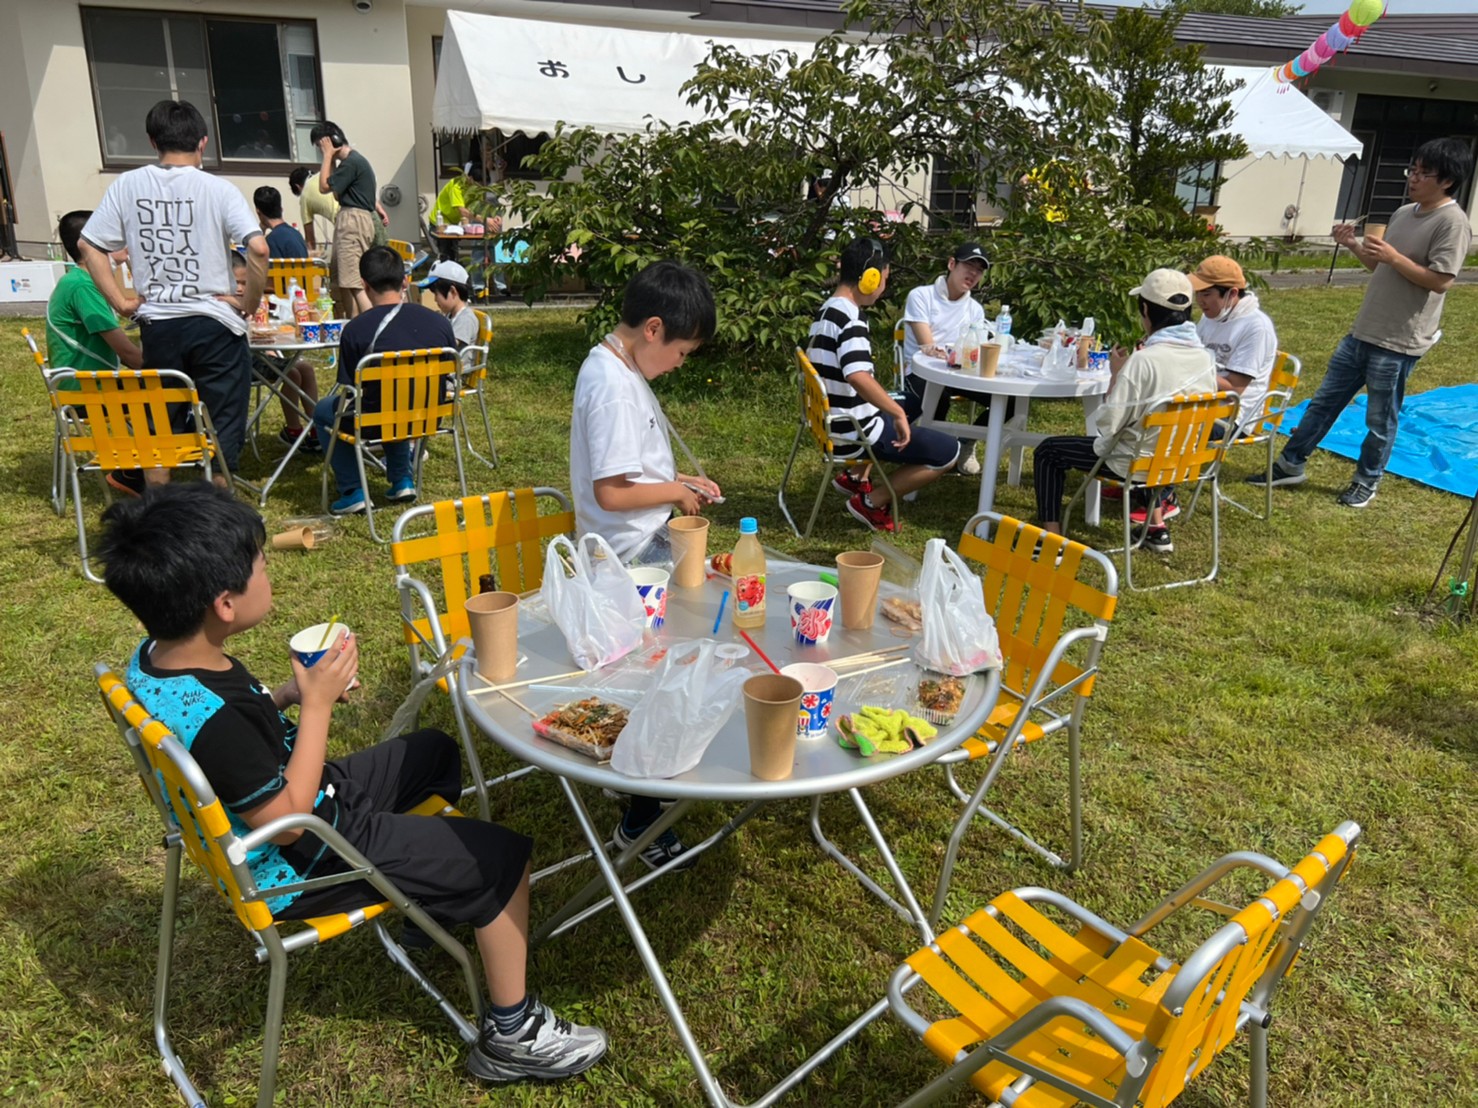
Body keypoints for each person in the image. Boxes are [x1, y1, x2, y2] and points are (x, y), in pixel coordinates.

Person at [96, 482, 608, 1086]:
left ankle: (429, 903)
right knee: (499, 858)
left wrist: (288, 696)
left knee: (433, 752)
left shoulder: (161, 657)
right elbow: (284, 820)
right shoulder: (215, 719)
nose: (268, 571)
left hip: (307, 805)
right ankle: (512, 1035)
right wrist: (314, 708)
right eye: (261, 564)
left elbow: (245, 738)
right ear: (224, 604)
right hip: (306, 853)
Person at [569, 260, 722, 870]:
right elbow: (611, 493)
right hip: (630, 556)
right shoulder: (610, 383)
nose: (681, 364)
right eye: (683, 351)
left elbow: (631, 469)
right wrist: (675, 496)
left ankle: (639, 775)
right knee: (671, 671)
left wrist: (676, 478)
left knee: (688, 653)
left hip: (639, 545)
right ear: (653, 330)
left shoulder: (621, 367)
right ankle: (641, 817)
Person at [1250, 137, 1474, 510]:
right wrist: (1354, 245)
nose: (1413, 178)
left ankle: (1366, 481)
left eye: (1422, 173)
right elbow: (1379, 266)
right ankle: (1291, 464)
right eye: (1412, 170)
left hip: (1399, 339)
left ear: (1447, 180)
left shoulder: (1453, 222)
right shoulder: (1405, 213)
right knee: (1323, 403)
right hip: (1363, 330)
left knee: (1379, 419)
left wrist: (1393, 255)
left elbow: (1441, 280)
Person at [78, 99, 269, 486]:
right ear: (203, 142)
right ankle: (218, 508)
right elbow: (259, 248)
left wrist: (122, 303)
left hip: (159, 323)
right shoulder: (219, 188)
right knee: (222, 422)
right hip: (215, 321)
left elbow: (89, 245)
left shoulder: (128, 184)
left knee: (159, 422)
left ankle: (158, 510)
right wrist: (247, 304)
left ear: (152, 142)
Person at [1031, 268, 1216, 554]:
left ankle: (1052, 540)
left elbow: (1108, 423)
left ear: (1145, 309)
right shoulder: (1205, 358)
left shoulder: (1144, 361)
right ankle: (1156, 529)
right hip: (1181, 460)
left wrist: (1116, 375)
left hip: (1135, 463)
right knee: (1154, 439)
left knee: (1048, 451)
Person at [807, 237, 959, 534]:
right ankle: (872, 502)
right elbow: (857, 376)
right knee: (948, 451)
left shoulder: (827, 310)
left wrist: (899, 408)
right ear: (870, 278)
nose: (883, 288)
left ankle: (855, 476)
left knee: (913, 401)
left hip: (832, 417)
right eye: (884, 280)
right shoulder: (851, 320)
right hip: (853, 428)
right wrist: (897, 414)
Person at [313, 246, 455, 514]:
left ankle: (353, 490)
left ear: (365, 286)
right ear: (405, 280)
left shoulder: (356, 330)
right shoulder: (439, 324)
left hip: (375, 422)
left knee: (324, 410)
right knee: (397, 398)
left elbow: (348, 389)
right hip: (428, 417)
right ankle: (402, 478)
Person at [899, 241, 995, 476]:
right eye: (968, 266)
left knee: (1012, 400)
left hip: (961, 373)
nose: (972, 274)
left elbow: (976, 350)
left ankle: (966, 442)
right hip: (922, 371)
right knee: (937, 397)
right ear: (952, 264)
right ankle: (936, 454)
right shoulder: (921, 296)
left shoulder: (974, 309)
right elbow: (927, 346)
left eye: (979, 270)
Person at [231, 253, 319, 452]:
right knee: (292, 373)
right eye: (236, 282)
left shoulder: (249, 301)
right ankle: (294, 430)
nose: (240, 288)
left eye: (245, 283)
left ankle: (316, 428)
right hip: (238, 361)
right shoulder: (223, 304)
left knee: (305, 368)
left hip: (258, 354)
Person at [1188, 254, 1277, 433]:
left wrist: (1188, 370)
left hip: (1233, 415)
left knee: (1166, 429)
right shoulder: (1211, 315)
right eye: (1197, 293)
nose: (1200, 301)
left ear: (1232, 293)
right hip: (1204, 398)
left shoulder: (1256, 327)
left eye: (1206, 294)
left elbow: (1235, 389)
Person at [312, 121, 385, 317]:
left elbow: (323, 187)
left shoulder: (353, 162)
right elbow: (336, 194)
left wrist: (328, 156)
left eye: (321, 147)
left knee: (353, 281)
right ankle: (353, 323)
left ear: (331, 141)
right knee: (344, 281)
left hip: (353, 222)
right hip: (351, 220)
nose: (321, 153)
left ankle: (369, 323)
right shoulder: (349, 164)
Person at [418, 260, 480, 347]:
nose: (435, 299)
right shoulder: (450, 315)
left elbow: (451, 346)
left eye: (436, 294)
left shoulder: (465, 319)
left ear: (453, 291)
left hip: (456, 360)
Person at [288, 166, 337, 257]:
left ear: (298, 187)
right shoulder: (323, 174)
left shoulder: (304, 195)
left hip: (345, 222)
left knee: (339, 268)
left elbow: (310, 241)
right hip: (365, 213)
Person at [253, 186, 308, 260]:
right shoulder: (296, 234)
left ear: (258, 211)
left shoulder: (272, 240)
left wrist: (260, 231)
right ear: (281, 209)